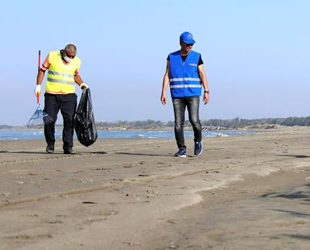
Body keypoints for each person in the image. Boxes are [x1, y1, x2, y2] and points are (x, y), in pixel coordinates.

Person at [161, 31, 209, 157]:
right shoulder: (171, 57)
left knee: (194, 120)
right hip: (177, 95)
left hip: (193, 94)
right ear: (181, 43)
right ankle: (181, 148)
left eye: (191, 44)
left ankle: (198, 141)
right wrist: (163, 92)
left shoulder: (197, 56)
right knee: (178, 123)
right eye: (187, 44)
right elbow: (167, 75)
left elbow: (202, 74)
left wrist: (206, 91)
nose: (190, 46)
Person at [35, 44, 89, 154]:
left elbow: (75, 75)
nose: (71, 58)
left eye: (73, 56)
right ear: (63, 52)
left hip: (69, 95)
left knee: (69, 121)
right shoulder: (52, 56)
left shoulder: (77, 61)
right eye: (69, 56)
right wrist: (38, 85)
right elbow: (42, 70)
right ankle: (50, 144)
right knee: (49, 120)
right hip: (51, 95)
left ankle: (68, 146)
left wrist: (82, 84)